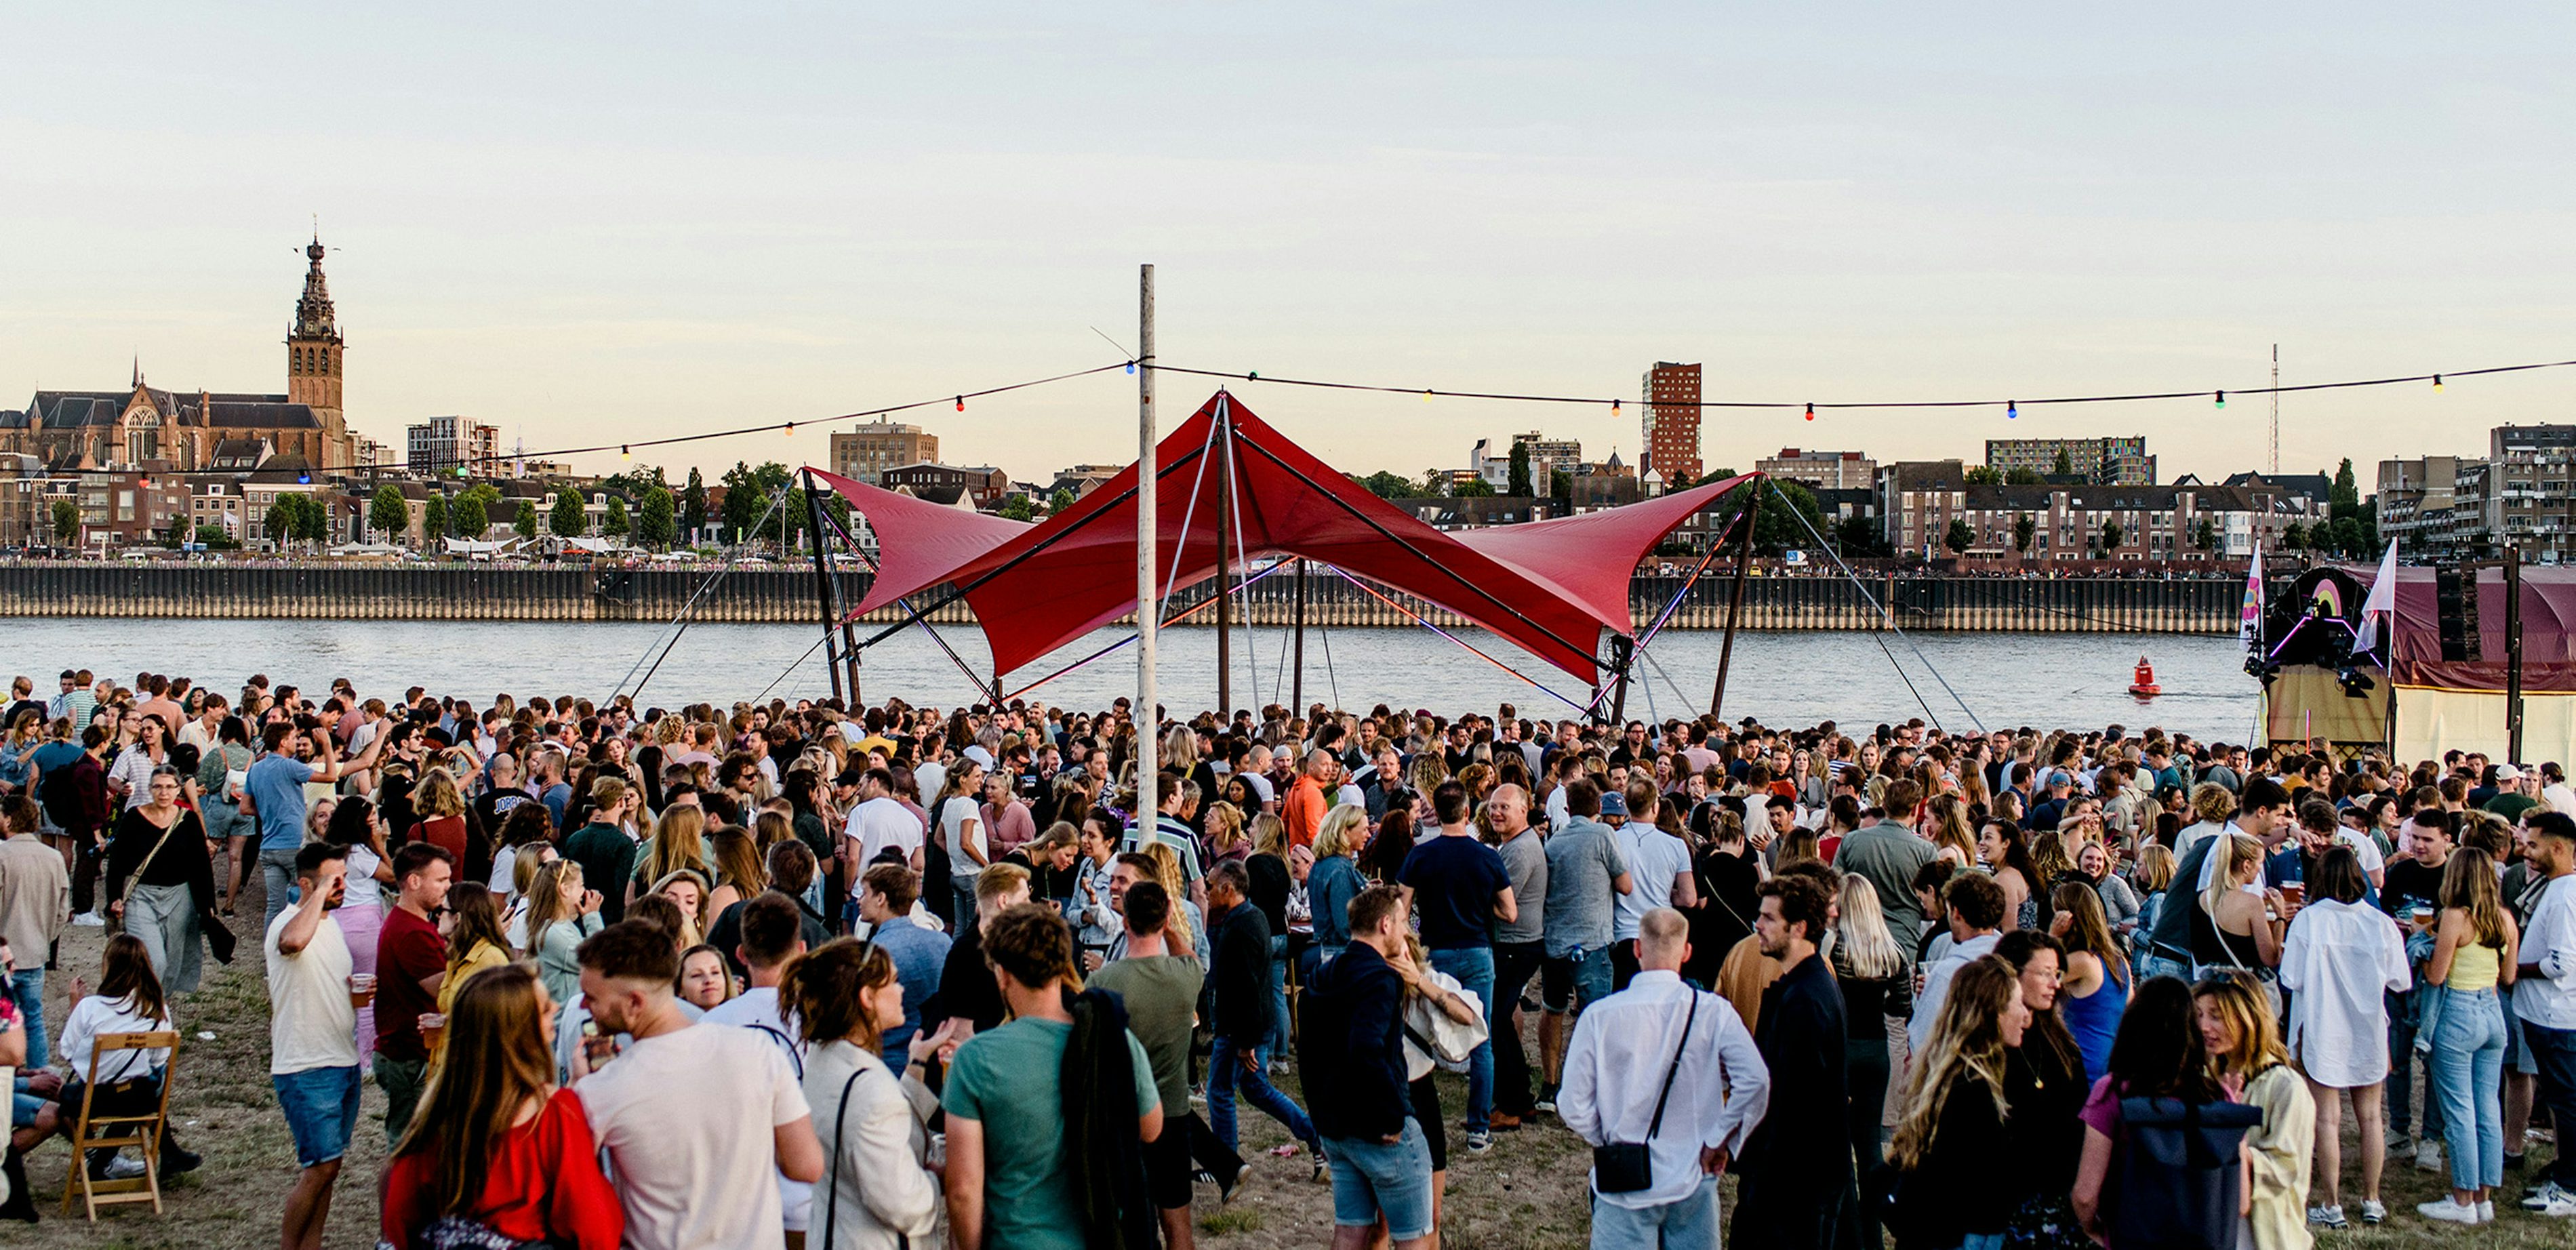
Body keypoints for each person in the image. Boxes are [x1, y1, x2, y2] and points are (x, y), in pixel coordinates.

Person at [571, 919, 824, 1250]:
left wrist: (576, 1084)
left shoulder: (601, 1090)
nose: (583, 1006)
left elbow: (571, 1189)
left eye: (591, 997)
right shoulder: (758, 1051)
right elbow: (807, 1166)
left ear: (635, 1003)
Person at [940, 903, 1162, 1250]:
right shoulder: (1111, 1040)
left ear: (1002, 974)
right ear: (1062, 965)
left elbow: (962, 1190)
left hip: (1017, 1239)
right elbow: (1151, 1128)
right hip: (1101, 1235)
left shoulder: (976, 1059)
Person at [1561, 906, 1769, 1250]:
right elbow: (1755, 1080)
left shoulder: (1600, 1017)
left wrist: (1607, 1137)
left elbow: (1572, 1103)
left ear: (1637, 948)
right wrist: (1720, 1140)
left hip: (1624, 1182)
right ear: (1686, 952)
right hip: (1693, 1172)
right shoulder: (1713, 1012)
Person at [378, 962, 622, 1250]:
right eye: (545, 1009)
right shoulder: (553, 1113)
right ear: (521, 1032)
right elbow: (593, 1225)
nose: (556, 1008)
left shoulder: (435, 1115)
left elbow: (399, 1216)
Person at [1091, 880, 1239, 1237]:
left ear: (1125, 921)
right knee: (1178, 1224)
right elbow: (1191, 959)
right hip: (1171, 1113)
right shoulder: (1185, 976)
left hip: (1121, 1115)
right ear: (1167, 918)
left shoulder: (1102, 981)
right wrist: (1170, 929)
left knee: (1128, 1227)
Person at [785, 936, 948, 1250]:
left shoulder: (823, 1058)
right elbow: (902, 1203)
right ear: (867, 997)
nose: (901, 990)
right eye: (894, 981)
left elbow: (868, 1121)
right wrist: (938, 1180)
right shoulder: (870, 1087)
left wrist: (918, 1062)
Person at [2276, 845, 2404, 1228]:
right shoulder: (2380, 923)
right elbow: (2400, 980)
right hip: (2368, 1025)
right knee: (2371, 1117)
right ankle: (2372, 1198)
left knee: (2328, 1120)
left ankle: (2332, 1203)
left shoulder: (2309, 921)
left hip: (2322, 1024)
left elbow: (2290, 977)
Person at [1302, 885, 1436, 1250]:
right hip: (1377, 1129)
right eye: (1403, 922)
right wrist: (1391, 1117)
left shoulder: (1323, 975)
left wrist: (1320, 1115)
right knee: (1414, 1238)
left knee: (1349, 1231)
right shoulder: (1379, 979)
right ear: (1385, 925)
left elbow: (1309, 1053)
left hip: (1336, 1127)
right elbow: (1367, 1049)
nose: (1407, 932)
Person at [2070, 976, 2244, 1249]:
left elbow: (2085, 1195)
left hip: (2132, 1237)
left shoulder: (2112, 1092)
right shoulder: (2220, 1097)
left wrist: (2096, 1230)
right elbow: (2241, 1201)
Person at [1733, 874, 1854, 1250]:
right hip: (1795, 1181)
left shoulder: (1806, 1000)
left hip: (1795, 1187)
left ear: (1799, 928)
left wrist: (1762, 1175)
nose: (1758, 925)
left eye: (1769, 918)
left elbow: (1796, 1104)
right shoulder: (1803, 988)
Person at [1396, 780, 1517, 1148]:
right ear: (1467, 812)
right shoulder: (1488, 857)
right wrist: (1483, 906)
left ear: (1436, 811)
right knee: (1481, 1037)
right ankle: (1478, 1128)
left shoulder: (1421, 855)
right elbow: (1510, 912)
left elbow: (1401, 909)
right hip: (1477, 949)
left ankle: (1418, 1117)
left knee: (1421, 1034)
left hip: (1438, 951)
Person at [1886, 956, 2028, 1250]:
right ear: (1994, 1013)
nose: (2026, 1015)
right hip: (1963, 1234)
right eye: (2019, 1005)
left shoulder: (1947, 1072)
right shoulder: (1973, 1091)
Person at [702, 893, 818, 1245]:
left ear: (740, 955)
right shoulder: (819, 1022)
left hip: (732, 1203)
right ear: (801, 950)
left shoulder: (711, 1024)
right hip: (806, 1198)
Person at [38, 933, 198, 1180]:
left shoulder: (89, 1007)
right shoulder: (156, 1007)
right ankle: (159, 1154)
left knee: (61, 1095)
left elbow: (68, 1052)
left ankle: (98, 1162)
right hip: (139, 1099)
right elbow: (159, 1059)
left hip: (94, 1100)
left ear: (108, 966)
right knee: (143, 1089)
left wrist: (75, 1006)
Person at [267, 842, 363, 1250]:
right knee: (319, 1167)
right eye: (333, 880)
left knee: (331, 1166)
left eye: (344, 878)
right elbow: (291, 943)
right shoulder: (287, 923)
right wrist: (320, 894)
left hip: (343, 1060)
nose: (342, 887)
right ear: (306, 884)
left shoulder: (332, 927)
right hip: (306, 1066)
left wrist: (355, 994)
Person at [2418, 846, 2520, 1224]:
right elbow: (2508, 976)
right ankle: (2484, 1198)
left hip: (2458, 1013)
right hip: (2492, 1012)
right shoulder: (2505, 918)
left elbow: (2436, 976)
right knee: (2488, 1108)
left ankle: (2462, 1200)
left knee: (2459, 1110)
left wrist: (2421, 950)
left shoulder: (2454, 917)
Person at [2186, 971, 2316, 1250]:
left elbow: (2285, 1168)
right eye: (2199, 1015)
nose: (2204, 1026)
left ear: (2248, 1018)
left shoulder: (2286, 1088)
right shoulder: (2204, 1076)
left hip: (2264, 1234)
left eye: (2217, 1016)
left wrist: (2232, 1139)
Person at [1205, 859, 1322, 1161]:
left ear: (1227, 889)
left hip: (1238, 1028)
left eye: (1210, 886)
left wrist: (1245, 1042)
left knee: (1219, 1092)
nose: (1206, 892)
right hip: (1255, 1023)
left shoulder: (1240, 928)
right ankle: (1314, 1135)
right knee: (1256, 1089)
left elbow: (1246, 988)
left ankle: (1227, 1163)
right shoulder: (1252, 917)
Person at [1538, 778, 1632, 1112]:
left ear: (1568, 808)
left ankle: (1549, 1085)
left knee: (1553, 1010)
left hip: (1556, 940)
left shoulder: (1554, 843)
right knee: (1595, 1017)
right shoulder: (1604, 835)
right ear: (1598, 809)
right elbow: (1625, 885)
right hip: (1592, 938)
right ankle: (1589, 1086)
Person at [1994, 931, 2089, 1250]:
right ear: (2012, 975)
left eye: (2057, 974)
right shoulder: (1991, 1048)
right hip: (2009, 1201)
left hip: (2059, 1197)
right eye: (2045, 974)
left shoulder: (2061, 1043)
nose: (2055, 984)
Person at [1831, 874, 1910, 1247]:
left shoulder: (1834, 950)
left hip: (1842, 1047)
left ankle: (1850, 1235)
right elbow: (1901, 1006)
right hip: (1876, 1049)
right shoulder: (1892, 952)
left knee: (1840, 1145)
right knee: (1870, 1147)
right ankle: (1874, 1233)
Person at [247, 719, 384, 926]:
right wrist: (327, 744)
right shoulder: (289, 766)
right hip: (294, 842)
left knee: (275, 905)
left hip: (268, 845)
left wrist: (271, 810)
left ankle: (273, 943)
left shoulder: (256, 769)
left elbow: (245, 807)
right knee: (311, 900)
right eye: (293, 738)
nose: (296, 742)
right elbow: (330, 776)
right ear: (283, 742)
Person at [102, 767, 216, 993]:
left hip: (178, 897)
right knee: (154, 960)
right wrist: (114, 897)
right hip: (141, 896)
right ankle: (144, 1004)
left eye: (169, 787)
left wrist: (207, 906)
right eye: (158, 787)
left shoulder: (189, 820)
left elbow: (201, 865)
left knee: (173, 962)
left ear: (178, 790)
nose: (164, 793)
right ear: (150, 789)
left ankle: (160, 1005)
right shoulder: (134, 817)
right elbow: (117, 862)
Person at [376, 843, 456, 1145]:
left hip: (407, 1051)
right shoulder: (413, 933)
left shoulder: (413, 923)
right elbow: (445, 991)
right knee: (409, 1145)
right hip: (411, 1056)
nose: (448, 887)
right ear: (414, 881)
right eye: (441, 880)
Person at [856, 862, 948, 1064]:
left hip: (889, 1056)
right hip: (935, 1054)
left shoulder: (877, 952)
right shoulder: (943, 942)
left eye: (864, 893)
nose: (859, 900)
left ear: (881, 899)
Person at [1911, 872, 2007, 1055]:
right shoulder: (2010, 958)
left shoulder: (1949, 972)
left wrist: (1928, 995)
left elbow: (1922, 1037)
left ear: (1956, 913)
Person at [1839, 778, 1939, 948]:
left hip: (1856, 940)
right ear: (1914, 809)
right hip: (1903, 941)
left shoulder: (1851, 840)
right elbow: (1934, 904)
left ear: (1884, 806)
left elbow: (1836, 887)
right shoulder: (1925, 850)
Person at [2048, 883, 2130, 1084]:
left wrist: (2053, 937)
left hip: (2083, 1060)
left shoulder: (2081, 962)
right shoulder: (2119, 960)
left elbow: (2036, 977)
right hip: (2110, 1060)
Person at [525, 859, 606, 1008]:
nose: (585, 891)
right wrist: (592, 917)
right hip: (562, 1018)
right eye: (581, 885)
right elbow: (598, 962)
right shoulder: (555, 934)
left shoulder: (561, 926)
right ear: (565, 889)